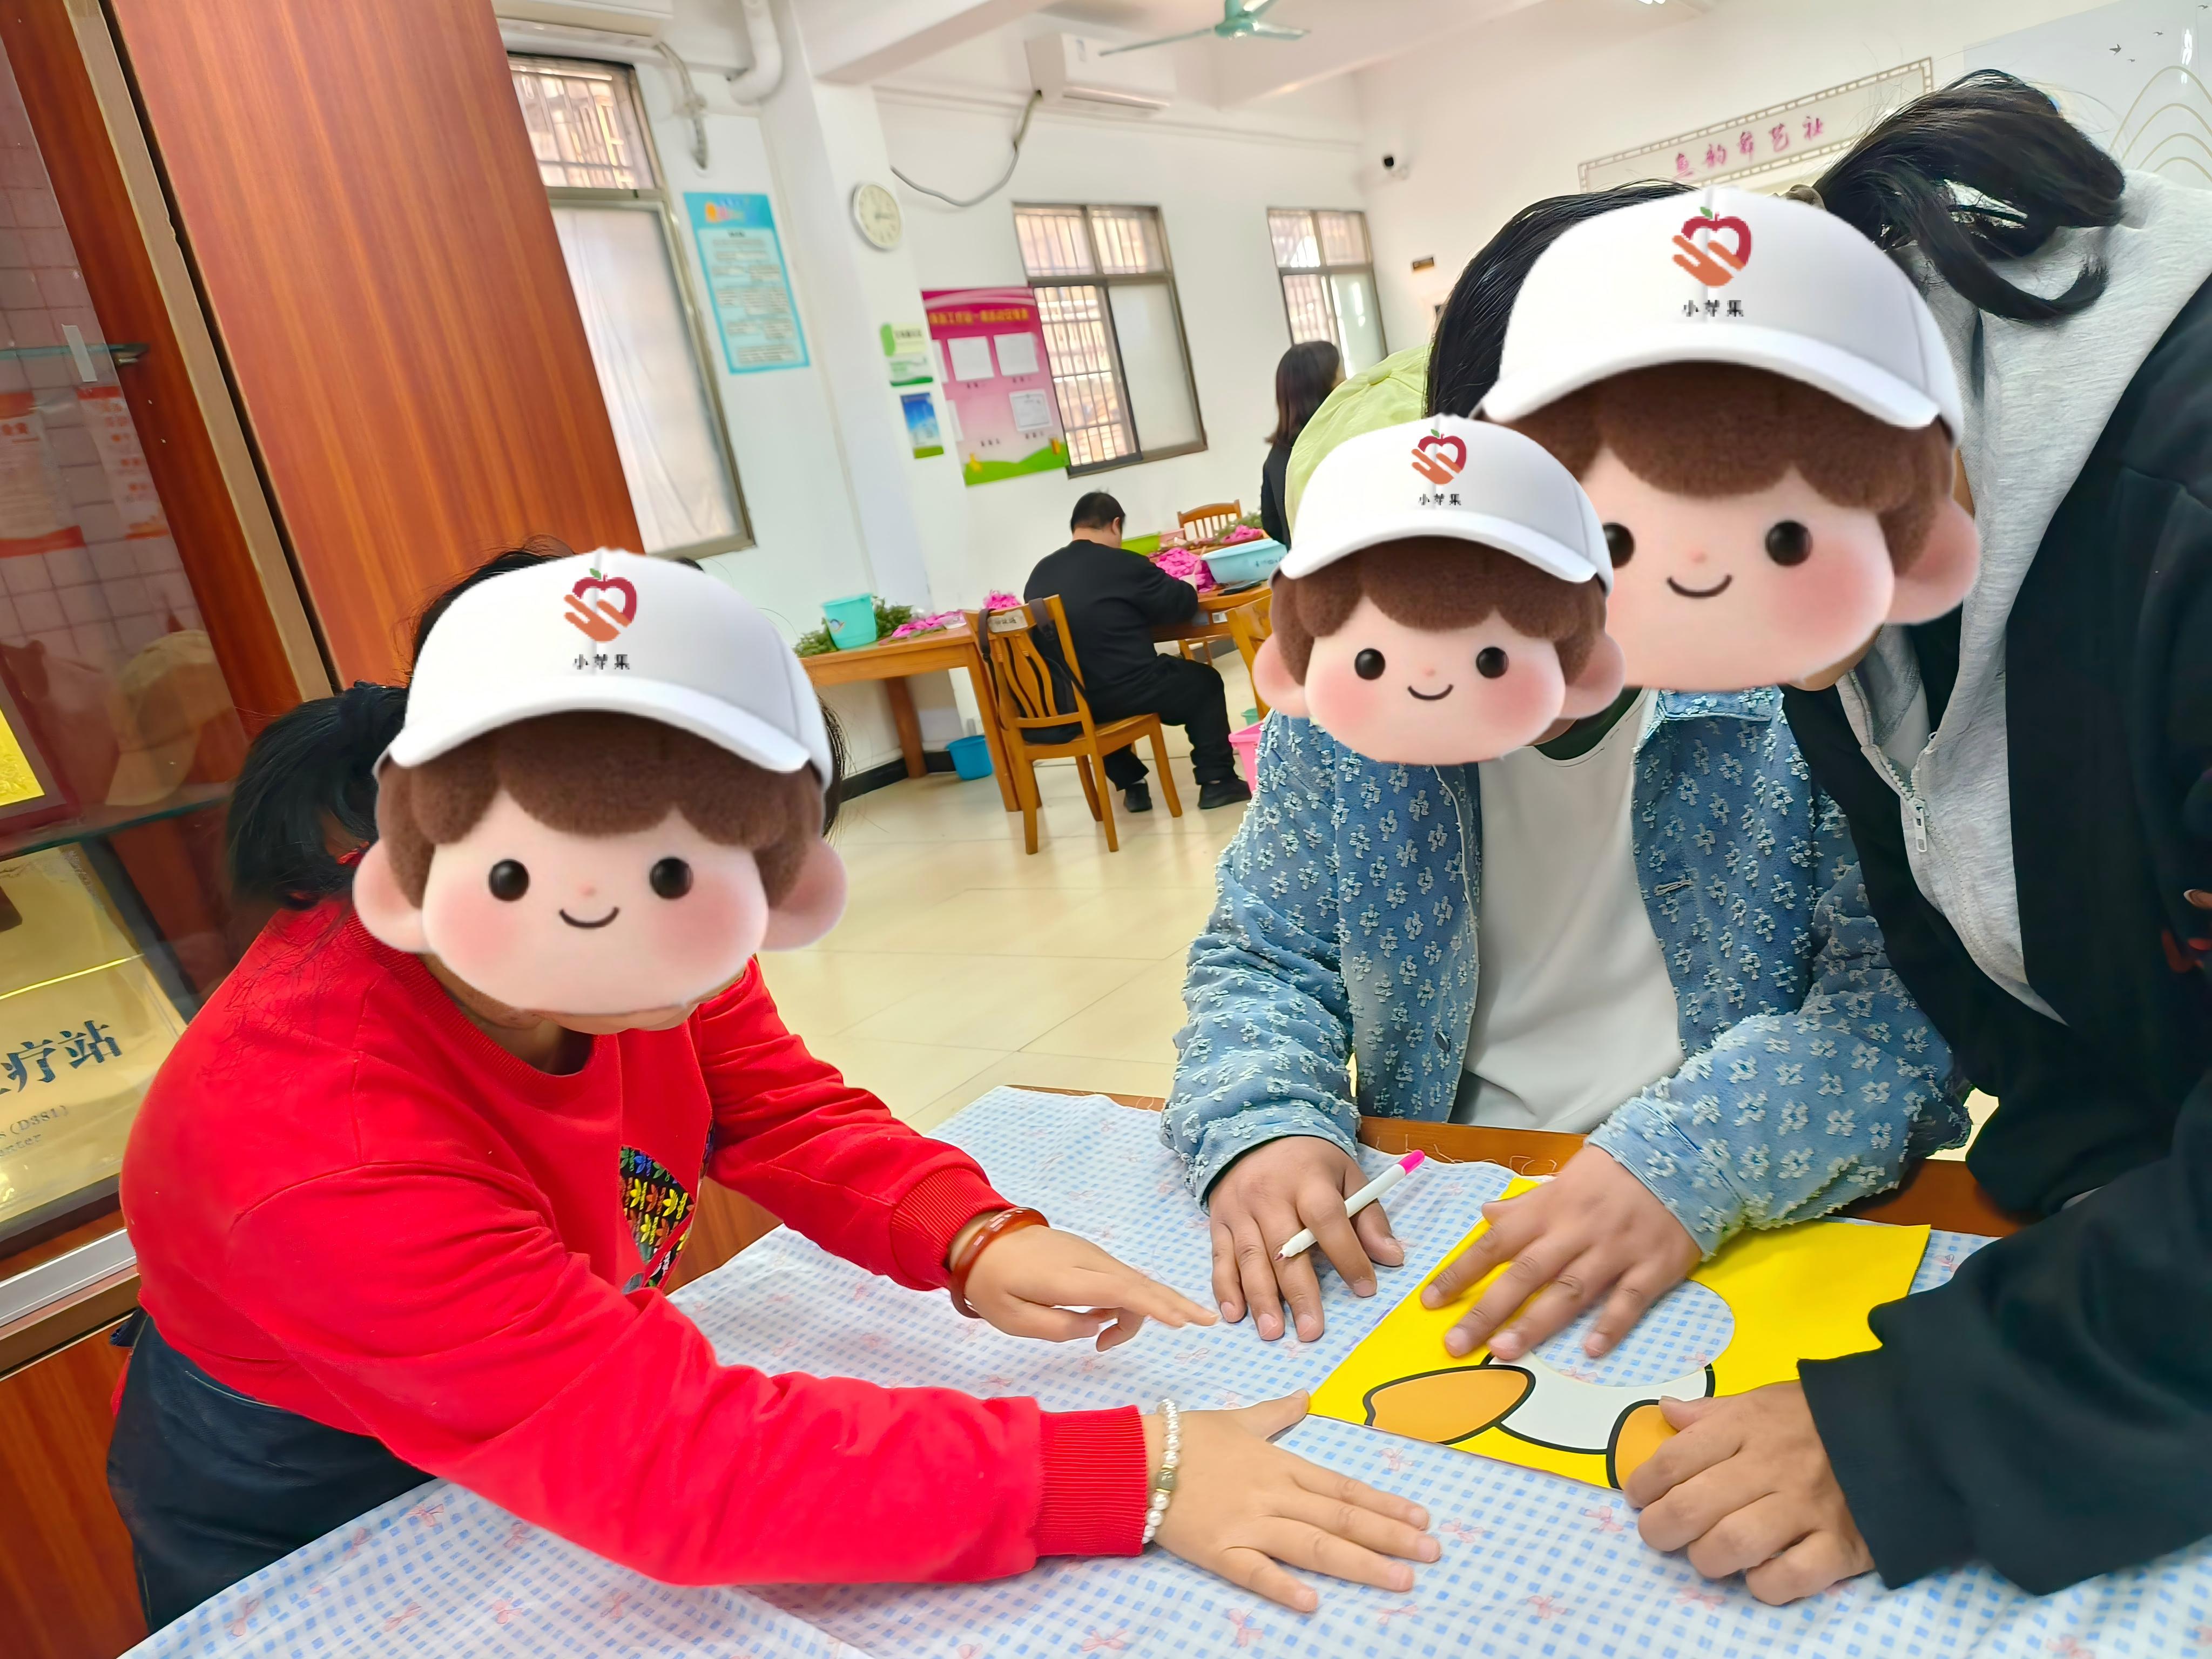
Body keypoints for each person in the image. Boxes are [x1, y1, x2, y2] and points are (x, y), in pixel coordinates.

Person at [105, 542, 1436, 1630]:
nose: (705, 959)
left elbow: (772, 1102)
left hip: (548, 1371)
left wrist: (968, 1233)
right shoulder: (314, 1131)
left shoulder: (635, 916)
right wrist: (1127, 1469)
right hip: (317, 1490)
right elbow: (669, 1461)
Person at [1164, 185, 1966, 1391]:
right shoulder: (1358, 687)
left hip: (1744, 1202)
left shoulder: (1807, 671)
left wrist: (1686, 1163)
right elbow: (1265, 954)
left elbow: (1903, 1007)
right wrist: (1263, 1124)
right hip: (1441, 1195)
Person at [1618, 72, 2212, 1604]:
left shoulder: (2175, 498)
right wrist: (2100, 1184)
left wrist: (1935, 1419)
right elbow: (1977, 956)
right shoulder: (1847, 570)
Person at [1026, 490, 1251, 812]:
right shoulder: (1123, 563)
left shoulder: (1039, 575)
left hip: (1072, 702)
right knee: (1204, 682)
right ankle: (1218, 782)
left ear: (1075, 526)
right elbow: (1180, 605)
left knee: (1093, 690)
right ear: (1115, 525)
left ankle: (1132, 783)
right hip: (1132, 690)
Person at [1260, 340, 1341, 546]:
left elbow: (1272, 524)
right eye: (1342, 375)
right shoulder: (1337, 442)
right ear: (1324, 386)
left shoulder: (1276, 457)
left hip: (1304, 562)